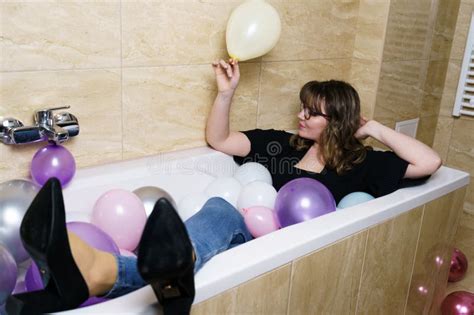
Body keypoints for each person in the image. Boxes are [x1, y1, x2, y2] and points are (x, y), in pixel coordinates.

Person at [6, 59, 442, 315]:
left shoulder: (360, 165)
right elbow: (220, 141)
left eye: (314, 113)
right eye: (303, 108)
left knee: (217, 211)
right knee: (219, 206)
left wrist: (376, 128)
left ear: (339, 121)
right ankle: (135, 271)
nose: (302, 117)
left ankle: (99, 272)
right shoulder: (281, 145)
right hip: (241, 229)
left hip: (282, 245)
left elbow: (429, 163)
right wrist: (226, 93)